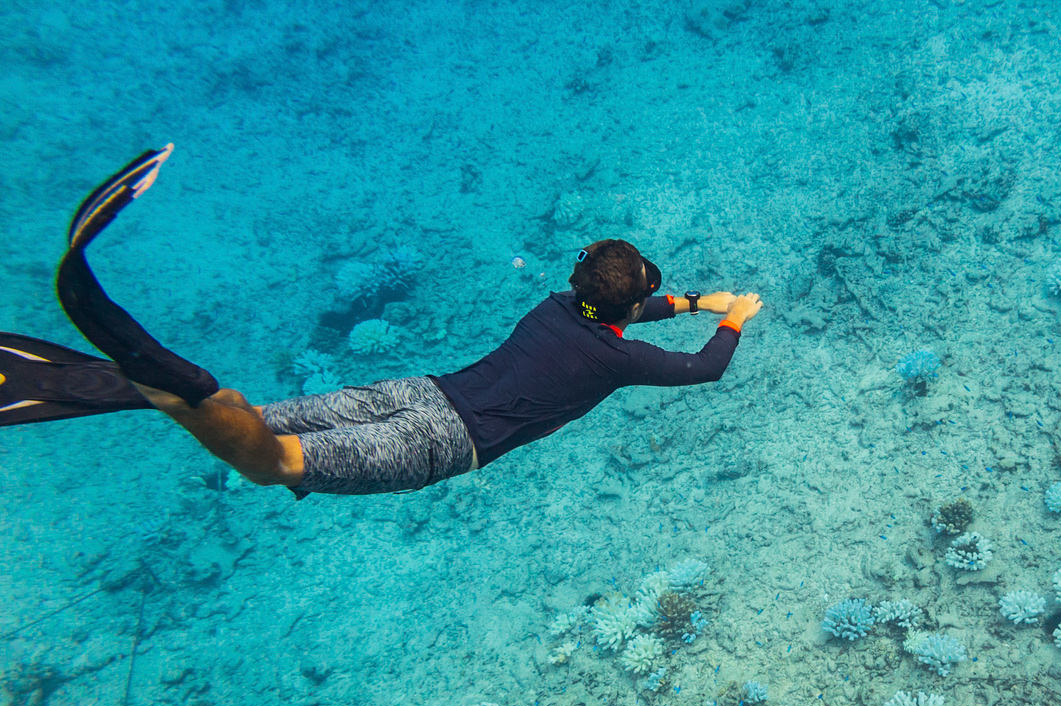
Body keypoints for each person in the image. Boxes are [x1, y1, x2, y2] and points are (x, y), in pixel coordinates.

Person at [0, 145, 762, 497]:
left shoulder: (562, 305)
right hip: (437, 438)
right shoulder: (614, 358)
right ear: (623, 313)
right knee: (270, 461)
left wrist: (695, 304)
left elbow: (631, 313)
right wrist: (736, 321)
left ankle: (89, 385)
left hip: (419, 391)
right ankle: (169, 380)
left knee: (260, 419)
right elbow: (703, 369)